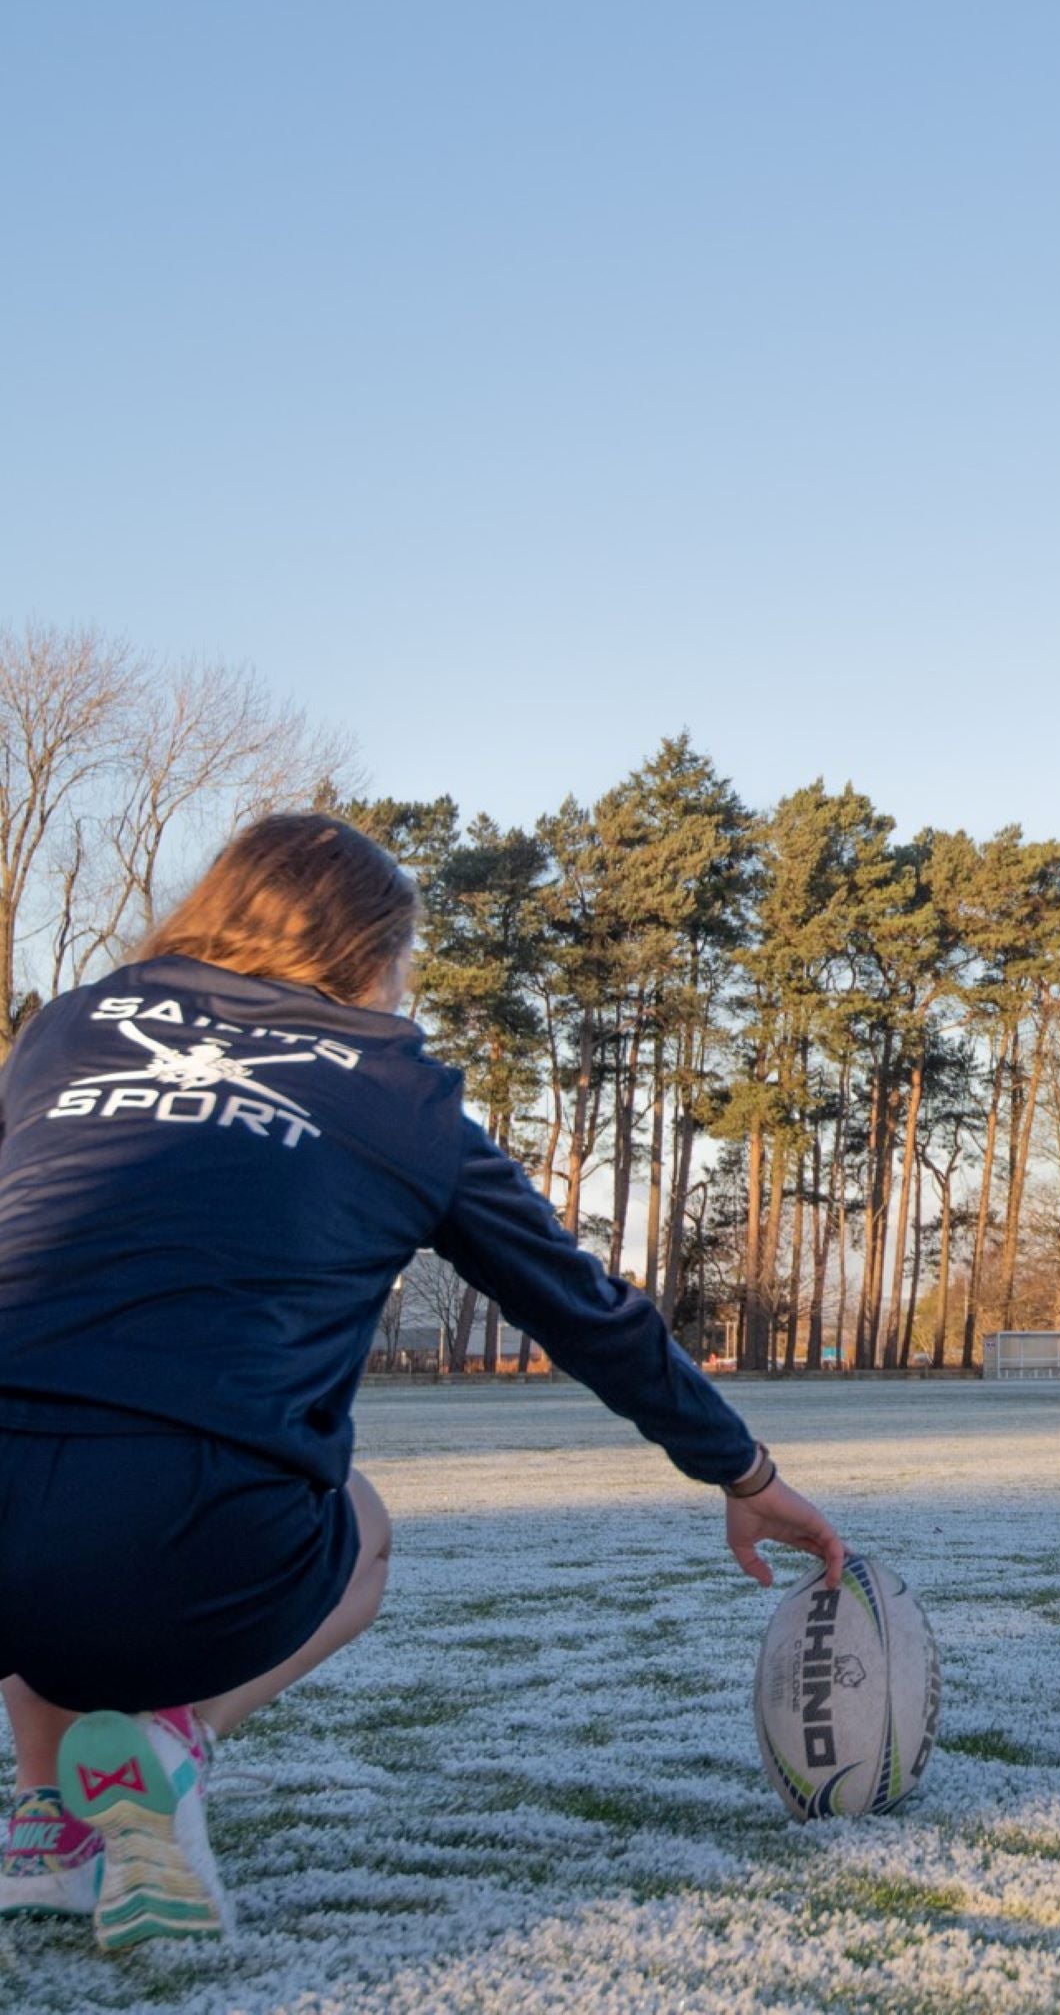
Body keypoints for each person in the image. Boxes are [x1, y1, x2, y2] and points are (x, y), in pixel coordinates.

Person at [0, 813, 844, 1948]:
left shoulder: (70, 1024)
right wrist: (743, 1471)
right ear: (369, 955)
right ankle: (169, 1744)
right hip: (196, 1538)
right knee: (361, 1529)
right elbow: (587, 1313)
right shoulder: (399, 1092)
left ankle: (50, 1830)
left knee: (45, 1430)